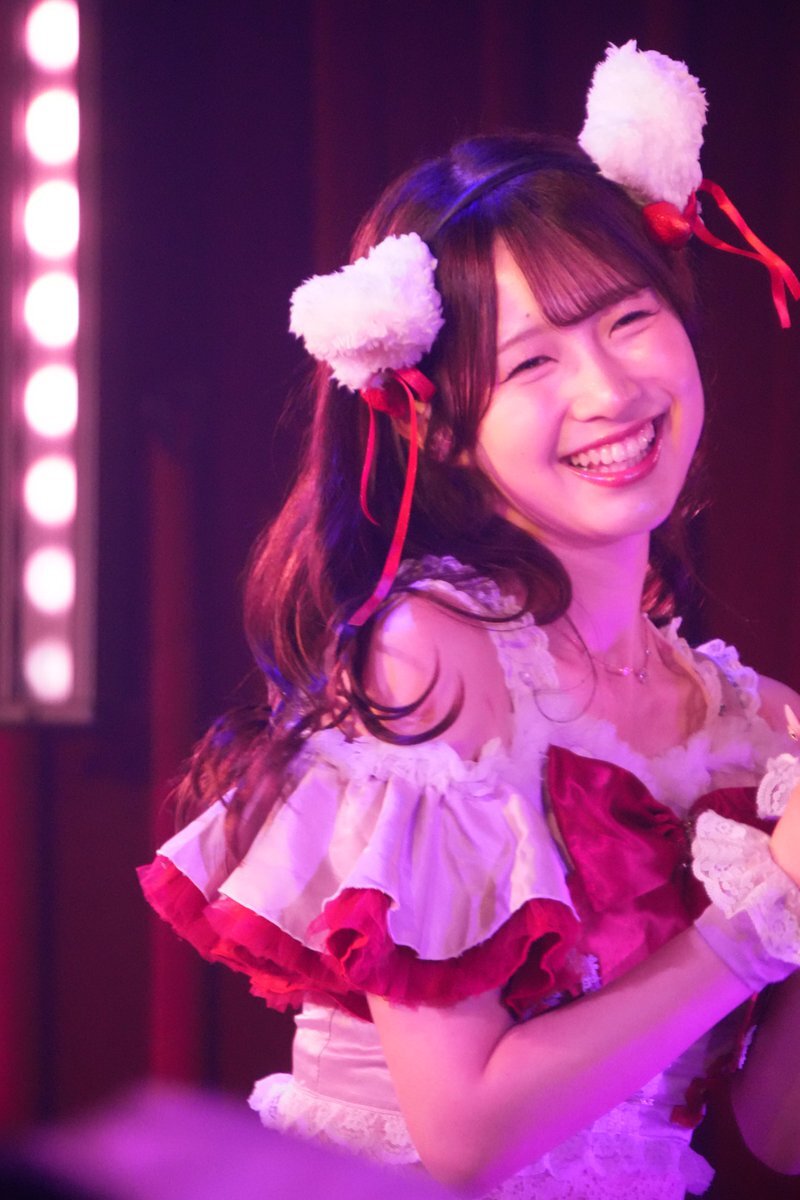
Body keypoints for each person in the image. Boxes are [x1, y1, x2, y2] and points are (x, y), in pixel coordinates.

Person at [138, 43, 800, 1199]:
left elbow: (776, 1134)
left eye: (626, 320)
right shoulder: (432, 655)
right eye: (530, 361)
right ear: (439, 427)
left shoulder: (761, 728)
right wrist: (761, 916)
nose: (607, 391)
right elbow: (465, 1136)